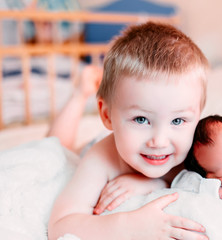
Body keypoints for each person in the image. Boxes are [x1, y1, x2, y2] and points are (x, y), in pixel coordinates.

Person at [48, 21, 210, 240]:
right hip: (95, 148)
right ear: (107, 116)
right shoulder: (101, 158)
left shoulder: (197, 150)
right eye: (141, 119)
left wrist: (153, 182)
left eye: (178, 120)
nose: (160, 141)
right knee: (55, 150)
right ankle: (81, 91)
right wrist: (128, 225)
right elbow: (60, 225)